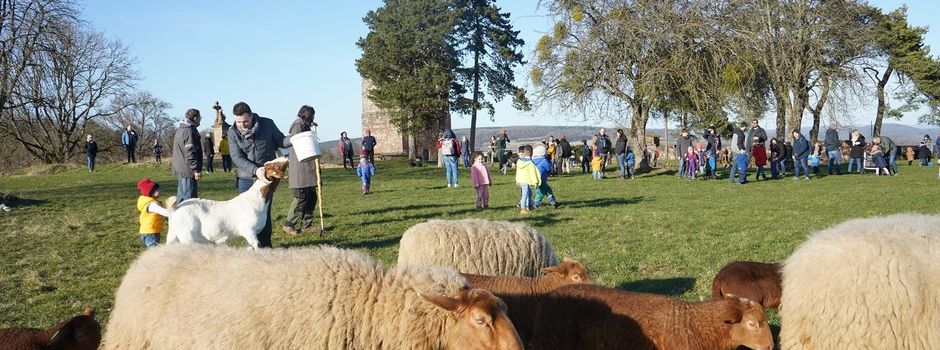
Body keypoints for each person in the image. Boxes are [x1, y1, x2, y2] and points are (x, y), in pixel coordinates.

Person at [227, 102, 291, 248]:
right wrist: (255, 170)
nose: (242, 125)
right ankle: (251, 247)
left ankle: (266, 247)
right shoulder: (232, 133)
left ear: (251, 116)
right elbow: (237, 158)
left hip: (267, 178)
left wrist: (294, 138)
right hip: (246, 178)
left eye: (245, 121)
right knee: (248, 217)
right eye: (238, 122)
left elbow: (280, 140)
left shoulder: (267, 124)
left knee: (264, 214)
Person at [282, 105, 320, 236]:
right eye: (312, 116)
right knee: (301, 197)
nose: (313, 118)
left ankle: (306, 225)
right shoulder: (297, 126)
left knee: (312, 196)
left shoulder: (304, 125)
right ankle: (289, 224)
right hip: (300, 168)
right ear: (306, 115)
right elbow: (302, 145)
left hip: (307, 168)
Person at [172, 109, 203, 203]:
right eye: (200, 117)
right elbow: (190, 152)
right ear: (195, 118)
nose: (200, 120)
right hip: (187, 170)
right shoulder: (189, 131)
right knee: (189, 200)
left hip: (182, 168)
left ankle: (177, 217)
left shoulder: (181, 129)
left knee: (181, 198)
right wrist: (195, 169)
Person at [135, 178, 169, 249]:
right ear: (151, 192)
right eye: (158, 190)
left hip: (150, 232)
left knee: (154, 251)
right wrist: (176, 213)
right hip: (151, 233)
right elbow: (164, 212)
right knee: (155, 253)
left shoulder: (151, 203)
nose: (160, 191)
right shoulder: (152, 205)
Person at [515, 145, 539, 214]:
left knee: (527, 193)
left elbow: (518, 172)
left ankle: (527, 206)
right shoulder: (530, 163)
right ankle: (523, 208)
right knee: (525, 195)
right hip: (525, 181)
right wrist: (535, 182)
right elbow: (533, 173)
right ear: (532, 154)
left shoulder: (519, 161)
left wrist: (517, 180)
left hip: (520, 180)